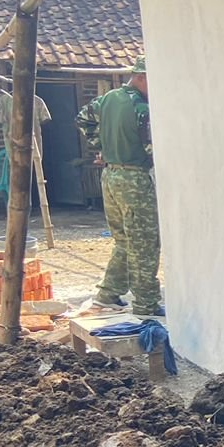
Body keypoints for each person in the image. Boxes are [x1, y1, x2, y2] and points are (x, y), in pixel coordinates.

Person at [77, 58, 161, 317]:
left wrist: (100, 146)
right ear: (142, 77)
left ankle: (108, 295)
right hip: (134, 179)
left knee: (124, 242)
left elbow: (82, 119)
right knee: (144, 244)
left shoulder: (108, 98)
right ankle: (146, 303)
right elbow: (152, 148)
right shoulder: (141, 108)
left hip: (110, 176)